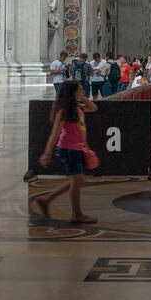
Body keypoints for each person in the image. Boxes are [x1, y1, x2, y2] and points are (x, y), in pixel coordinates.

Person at [33, 80, 99, 224]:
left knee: (77, 179)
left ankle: (47, 199)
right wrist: (47, 154)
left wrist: (82, 97)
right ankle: (77, 214)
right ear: (72, 92)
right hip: (68, 149)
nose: (83, 92)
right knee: (77, 179)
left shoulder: (76, 107)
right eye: (80, 90)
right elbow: (54, 133)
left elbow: (94, 107)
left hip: (77, 147)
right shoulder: (64, 111)